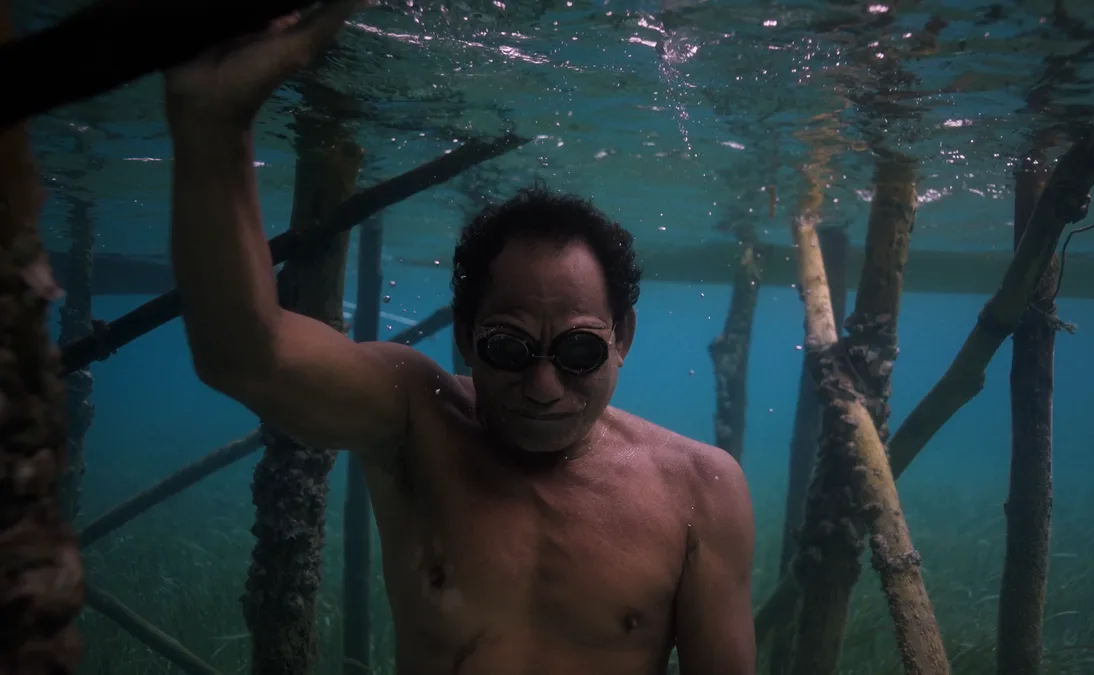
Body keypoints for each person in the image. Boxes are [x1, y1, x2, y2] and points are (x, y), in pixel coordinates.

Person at [165, 3, 756, 674]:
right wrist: (212, 123)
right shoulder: (415, 419)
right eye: (509, 348)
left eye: (578, 352)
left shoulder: (701, 491)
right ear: (467, 336)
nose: (542, 387)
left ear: (622, 336)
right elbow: (243, 354)